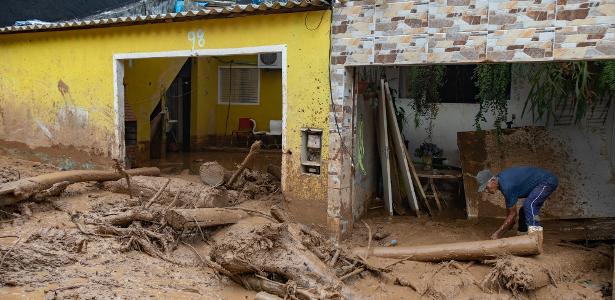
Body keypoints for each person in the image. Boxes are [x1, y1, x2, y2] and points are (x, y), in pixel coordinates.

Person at [474, 166, 558, 239]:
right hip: (541, 183)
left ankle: (536, 237)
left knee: (530, 205)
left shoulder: (506, 185)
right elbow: (510, 208)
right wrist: (509, 222)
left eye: (486, 187)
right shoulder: (501, 180)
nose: (486, 190)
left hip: (547, 181)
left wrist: (498, 234)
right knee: (525, 210)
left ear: (492, 181)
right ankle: (523, 232)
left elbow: (513, 214)